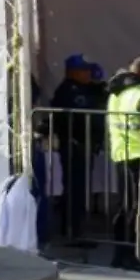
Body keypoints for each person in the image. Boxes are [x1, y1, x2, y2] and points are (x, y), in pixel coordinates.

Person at [104, 56, 140, 273]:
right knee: (138, 209)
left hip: (122, 155)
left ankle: (120, 255)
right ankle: (132, 257)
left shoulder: (116, 94)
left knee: (125, 207)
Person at [46, 54, 106, 240]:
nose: (88, 74)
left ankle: (76, 229)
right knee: (75, 189)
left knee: (80, 189)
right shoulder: (68, 91)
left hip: (85, 146)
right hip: (74, 146)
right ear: (73, 72)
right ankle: (72, 231)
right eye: (84, 70)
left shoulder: (86, 89)